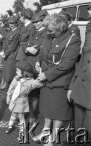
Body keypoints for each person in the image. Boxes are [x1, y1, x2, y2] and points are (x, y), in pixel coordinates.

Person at [34, 13, 81, 146]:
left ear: (61, 28)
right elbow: (42, 52)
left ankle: (54, 137)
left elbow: (66, 64)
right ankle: (45, 131)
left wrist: (46, 75)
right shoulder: (48, 35)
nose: (47, 33)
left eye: (51, 30)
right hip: (46, 81)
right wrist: (38, 62)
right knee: (47, 109)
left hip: (59, 82)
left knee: (58, 111)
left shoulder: (72, 39)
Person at [68, 3, 91, 141]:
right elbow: (83, 60)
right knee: (79, 131)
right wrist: (72, 86)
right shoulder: (89, 26)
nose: (88, 11)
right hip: (81, 88)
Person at [5, 61, 42, 134]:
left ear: (24, 72)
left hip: (21, 101)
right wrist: (8, 96)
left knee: (21, 116)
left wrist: (40, 73)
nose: (16, 72)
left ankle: (22, 129)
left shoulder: (30, 82)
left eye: (18, 70)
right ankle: (10, 126)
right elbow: (11, 87)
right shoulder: (16, 78)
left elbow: (39, 83)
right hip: (14, 100)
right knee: (13, 113)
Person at [24, 10, 48, 125]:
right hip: (28, 63)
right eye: (34, 22)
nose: (35, 24)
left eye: (37, 22)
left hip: (36, 66)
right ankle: (28, 110)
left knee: (34, 92)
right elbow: (25, 43)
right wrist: (27, 48)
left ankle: (32, 114)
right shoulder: (34, 30)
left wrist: (29, 48)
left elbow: (36, 50)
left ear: (43, 21)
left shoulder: (46, 33)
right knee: (27, 89)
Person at [2, 15, 20, 92]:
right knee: (6, 74)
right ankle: (8, 89)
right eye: (10, 23)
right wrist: (3, 51)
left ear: (16, 23)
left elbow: (12, 47)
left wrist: (5, 54)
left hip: (11, 56)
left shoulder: (17, 32)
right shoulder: (11, 32)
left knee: (10, 75)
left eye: (13, 23)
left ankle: (11, 91)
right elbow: (6, 43)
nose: (11, 25)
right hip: (7, 55)